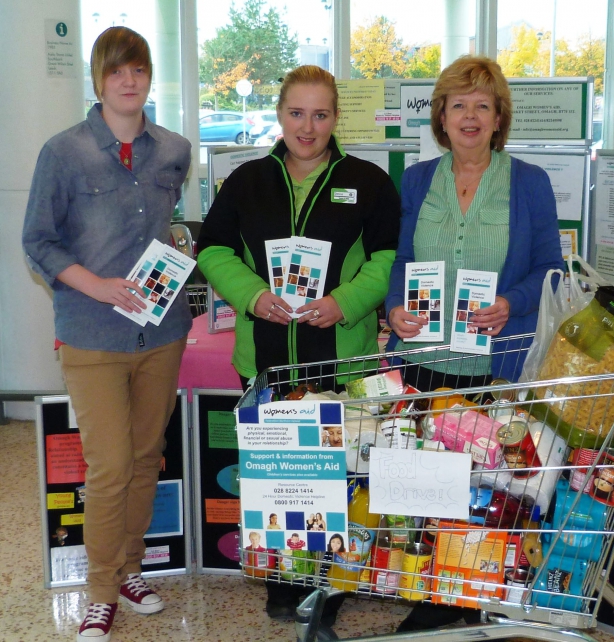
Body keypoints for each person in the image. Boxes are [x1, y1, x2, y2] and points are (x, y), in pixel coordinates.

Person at [197, 64, 400, 626]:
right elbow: (213, 250)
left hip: (339, 354)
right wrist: (253, 295)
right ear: (280, 114)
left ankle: (330, 579)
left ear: (336, 118)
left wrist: (346, 301)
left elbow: (387, 257)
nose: (307, 127)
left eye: (320, 114)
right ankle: (284, 578)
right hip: (265, 358)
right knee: (276, 469)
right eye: (296, 113)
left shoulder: (369, 181)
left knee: (336, 470)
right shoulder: (247, 180)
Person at [22, 26, 192, 642]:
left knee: (147, 458)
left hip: (161, 332)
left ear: (149, 77)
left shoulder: (174, 148)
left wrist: (177, 247)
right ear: (98, 79)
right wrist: (94, 284)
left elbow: (169, 227)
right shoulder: (62, 152)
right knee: (110, 466)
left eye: (138, 69)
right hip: (92, 334)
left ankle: (128, 568)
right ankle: (99, 592)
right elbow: (37, 241)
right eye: (117, 70)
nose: (129, 80)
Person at [384, 56, 563, 632]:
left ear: (498, 117)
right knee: (426, 476)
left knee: (489, 483)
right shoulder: (415, 181)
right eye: (458, 104)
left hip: (496, 359)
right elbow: (401, 260)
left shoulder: (529, 183)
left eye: (482, 105)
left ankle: (474, 589)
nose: (469, 115)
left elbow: (550, 269)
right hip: (427, 357)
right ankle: (427, 590)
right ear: (440, 115)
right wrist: (393, 308)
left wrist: (512, 301)